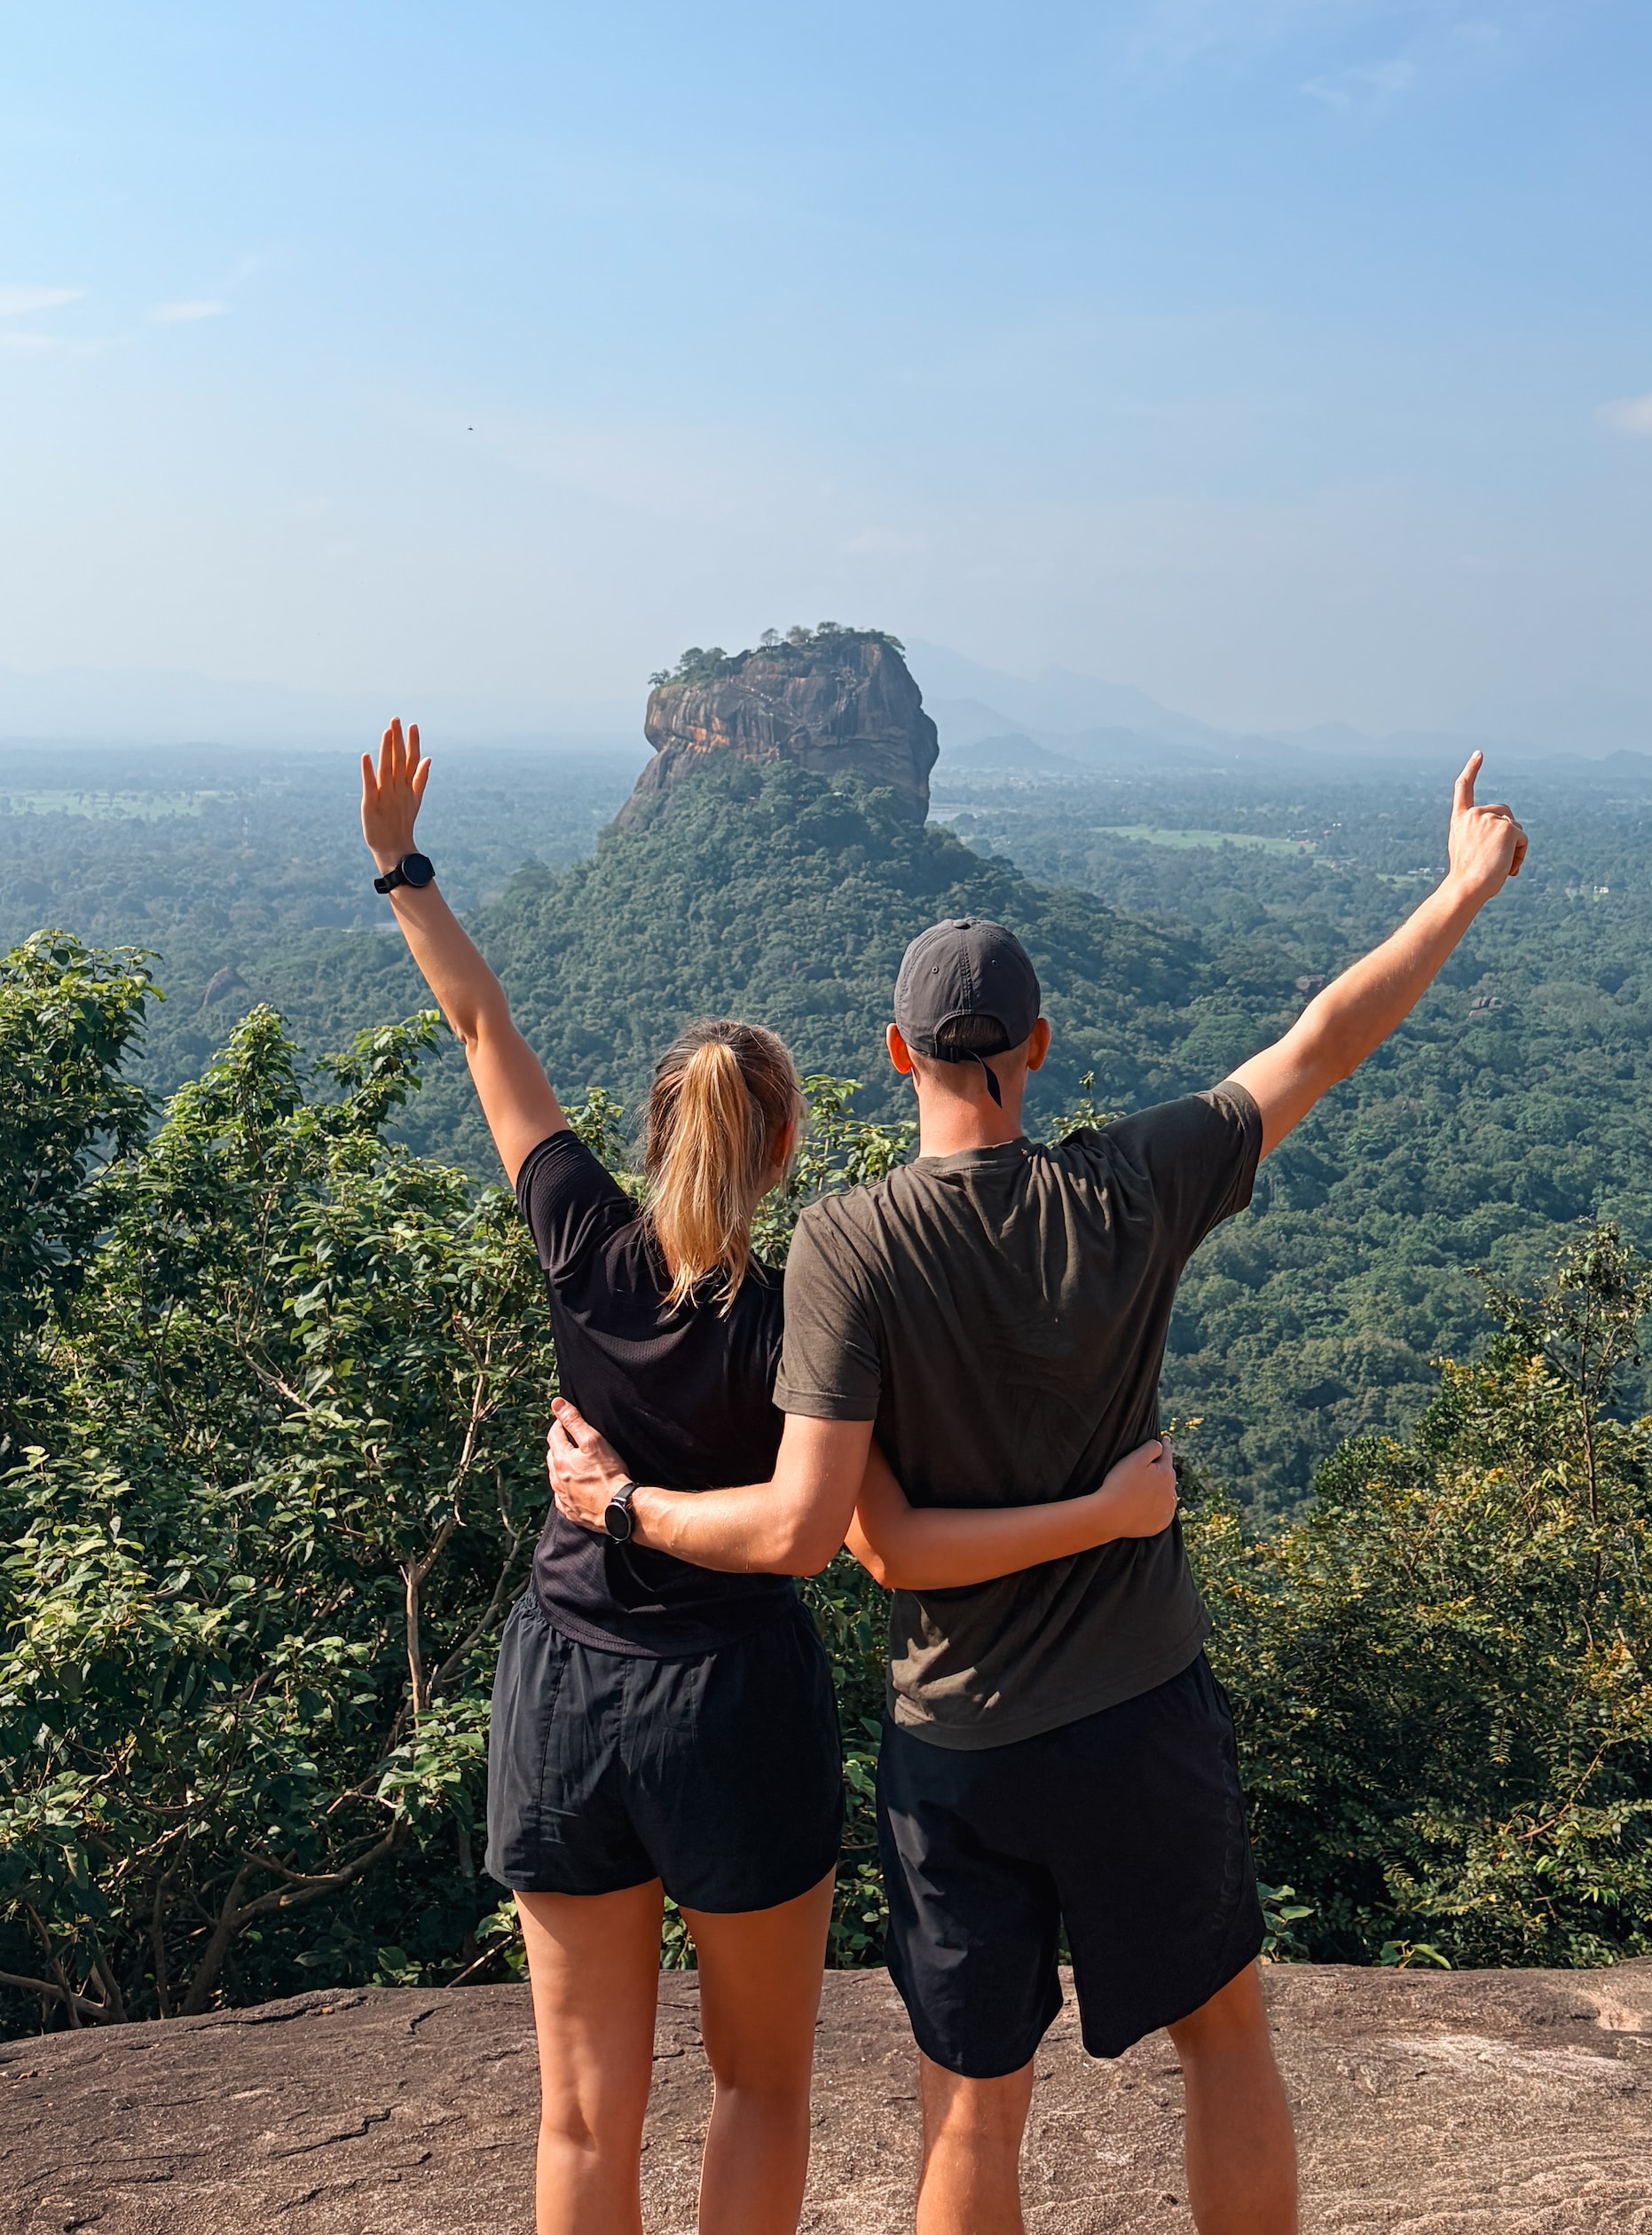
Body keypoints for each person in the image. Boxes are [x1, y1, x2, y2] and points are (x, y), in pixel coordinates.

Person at [547, 753, 1529, 2235]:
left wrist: (619, 1505)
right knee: (1226, 2040)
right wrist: (1457, 890)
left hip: (960, 1744)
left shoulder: (846, 1247)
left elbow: (850, 1539)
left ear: (896, 1051)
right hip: (1143, 1707)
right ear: (1041, 1043)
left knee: (971, 2108)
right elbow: (1320, 1041)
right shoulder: (1132, 1188)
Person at [358, 718, 1183, 2235]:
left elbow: (485, 1036)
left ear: (653, 1133)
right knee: (756, 2086)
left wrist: (406, 871)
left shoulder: (583, 1247)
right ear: (790, 1140)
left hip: (565, 1690)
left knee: (586, 2113)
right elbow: (832, 1530)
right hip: (729, 1705)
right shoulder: (818, 1296)